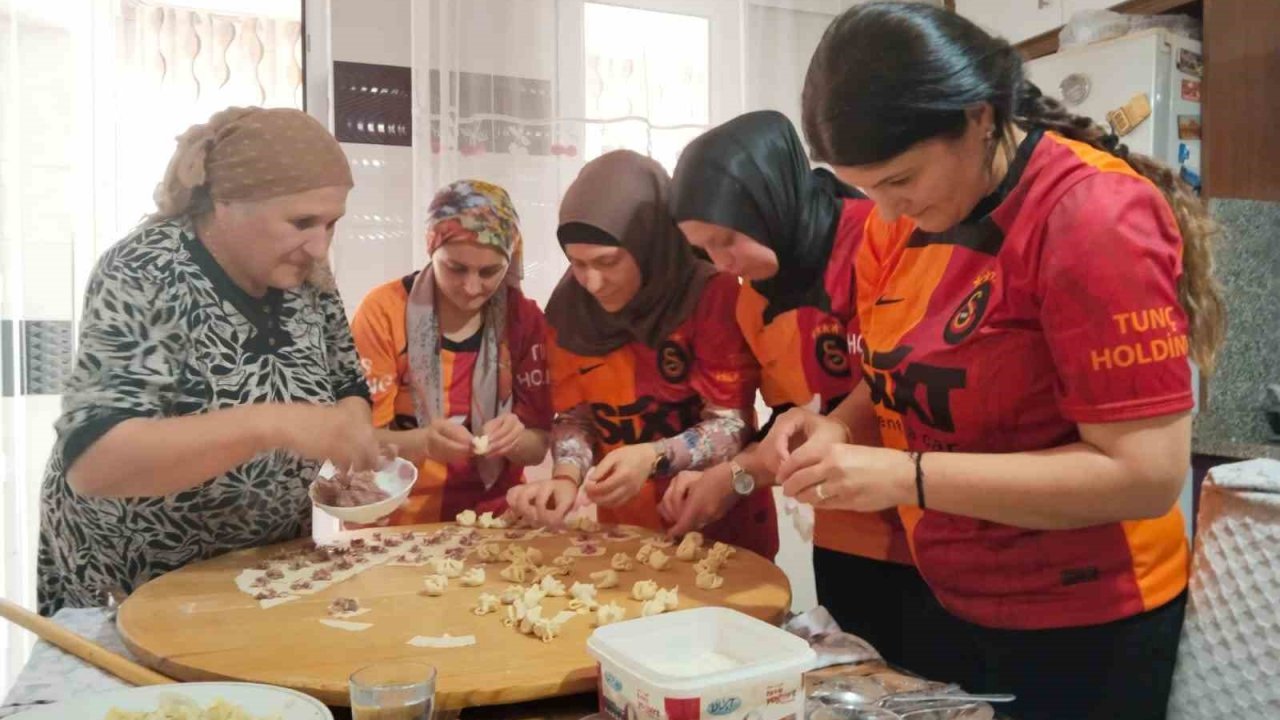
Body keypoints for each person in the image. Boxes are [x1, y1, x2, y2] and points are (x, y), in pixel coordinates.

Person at [763, 3, 1227, 718]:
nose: (883, 214)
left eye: (900, 180)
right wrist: (843, 426)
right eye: (866, 190)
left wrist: (904, 475)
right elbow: (893, 365)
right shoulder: (906, 219)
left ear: (979, 118)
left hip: (1086, 621)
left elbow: (1144, 476)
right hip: (952, 597)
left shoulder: (1090, 216)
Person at [38, 107, 380, 615]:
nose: (319, 245)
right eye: (302, 222)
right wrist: (271, 423)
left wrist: (352, 426)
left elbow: (344, 378)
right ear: (225, 203)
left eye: (332, 223)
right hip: (136, 580)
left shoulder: (308, 277)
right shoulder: (145, 272)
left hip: (258, 570)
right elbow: (93, 463)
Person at [668, 110, 927, 667]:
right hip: (848, 537)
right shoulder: (751, 300)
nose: (721, 263)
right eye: (704, 251)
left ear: (770, 199)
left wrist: (734, 477)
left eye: (727, 240)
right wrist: (731, 476)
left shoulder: (883, 237)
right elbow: (789, 419)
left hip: (935, 519)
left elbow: (903, 380)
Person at [506, 150, 777, 559]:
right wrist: (565, 477)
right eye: (577, 264)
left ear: (648, 243)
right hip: (624, 537)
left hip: (717, 525)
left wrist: (654, 457)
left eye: (608, 262)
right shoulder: (569, 313)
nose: (592, 282)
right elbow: (577, 417)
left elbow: (731, 426)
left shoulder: (710, 295)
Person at [350, 180, 552, 524]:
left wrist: (515, 439)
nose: (472, 288)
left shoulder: (524, 319)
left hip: (495, 518)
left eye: (490, 272)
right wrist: (423, 442)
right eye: (456, 268)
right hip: (399, 518)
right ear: (431, 249)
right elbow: (359, 446)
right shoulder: (384, 312)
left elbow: (538, 446)